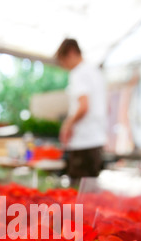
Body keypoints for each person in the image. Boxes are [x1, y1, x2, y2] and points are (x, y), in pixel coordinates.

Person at [56, 38, 107, 180]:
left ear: (71, 53)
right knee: (90, 194)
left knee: (78, 195)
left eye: (64, 61)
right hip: (96, 140)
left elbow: (84, 106)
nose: (65, 66)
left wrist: (67, 125)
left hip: (83, 142)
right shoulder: (95, 72)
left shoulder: (78, 73)